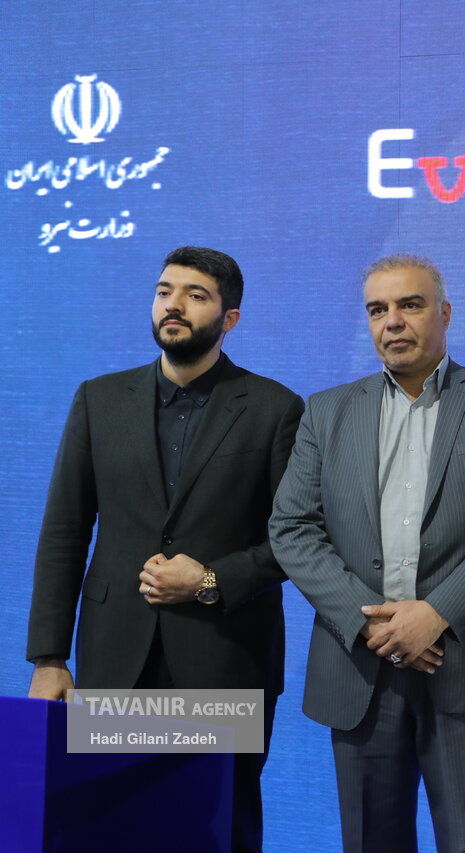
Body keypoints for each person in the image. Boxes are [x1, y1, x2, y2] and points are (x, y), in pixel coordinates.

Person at [26, 246, 303, 852]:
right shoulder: (99, 399)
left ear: (229, 318)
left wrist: (208, 581)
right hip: (115, 658)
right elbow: (65, 532)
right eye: (164, 291)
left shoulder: (274, 408)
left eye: (195, 295)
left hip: (226, 662)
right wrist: (49, 657)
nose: (173, 305)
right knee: (109, 828)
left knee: (217, 831)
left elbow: (294, 540)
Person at [269, 254, 465, 853]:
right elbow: (291, 526)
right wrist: (372, 624)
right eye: (377, 310)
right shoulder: (327, 410)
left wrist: (436, 613)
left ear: (445, 314)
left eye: (409, 305)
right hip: (360, 667)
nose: (392, 321)